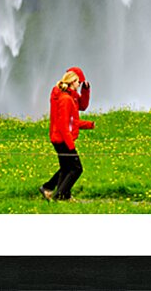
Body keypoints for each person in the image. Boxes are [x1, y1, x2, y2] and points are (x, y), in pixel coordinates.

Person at [39, 67, 94, 201]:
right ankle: (61, 195)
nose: (80, 85)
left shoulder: (68, 96)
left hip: (60, 137)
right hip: (62, 138)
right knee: (76, 168)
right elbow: (64, 124)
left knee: (66, 168)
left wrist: (85, 91)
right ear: (73, 81)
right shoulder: (65, 99)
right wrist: (71, 145)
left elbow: (82, 107)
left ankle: (54, 191)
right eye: (79, 83)